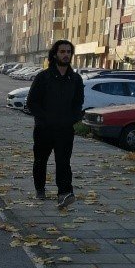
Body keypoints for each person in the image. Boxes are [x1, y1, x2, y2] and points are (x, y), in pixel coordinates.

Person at [26, 39, 84, 208]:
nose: (66, 55)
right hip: (44, 129)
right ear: (54, 54)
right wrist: (44, 119)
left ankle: (64, 193)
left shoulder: (75, 79)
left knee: (63, 162)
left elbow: (78, 102)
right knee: (40, 161)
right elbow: (32, 102)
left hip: (65, 130)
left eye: (68, 52)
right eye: (62, 52)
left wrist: (72, 119)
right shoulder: (43, 77)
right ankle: (40, 188)